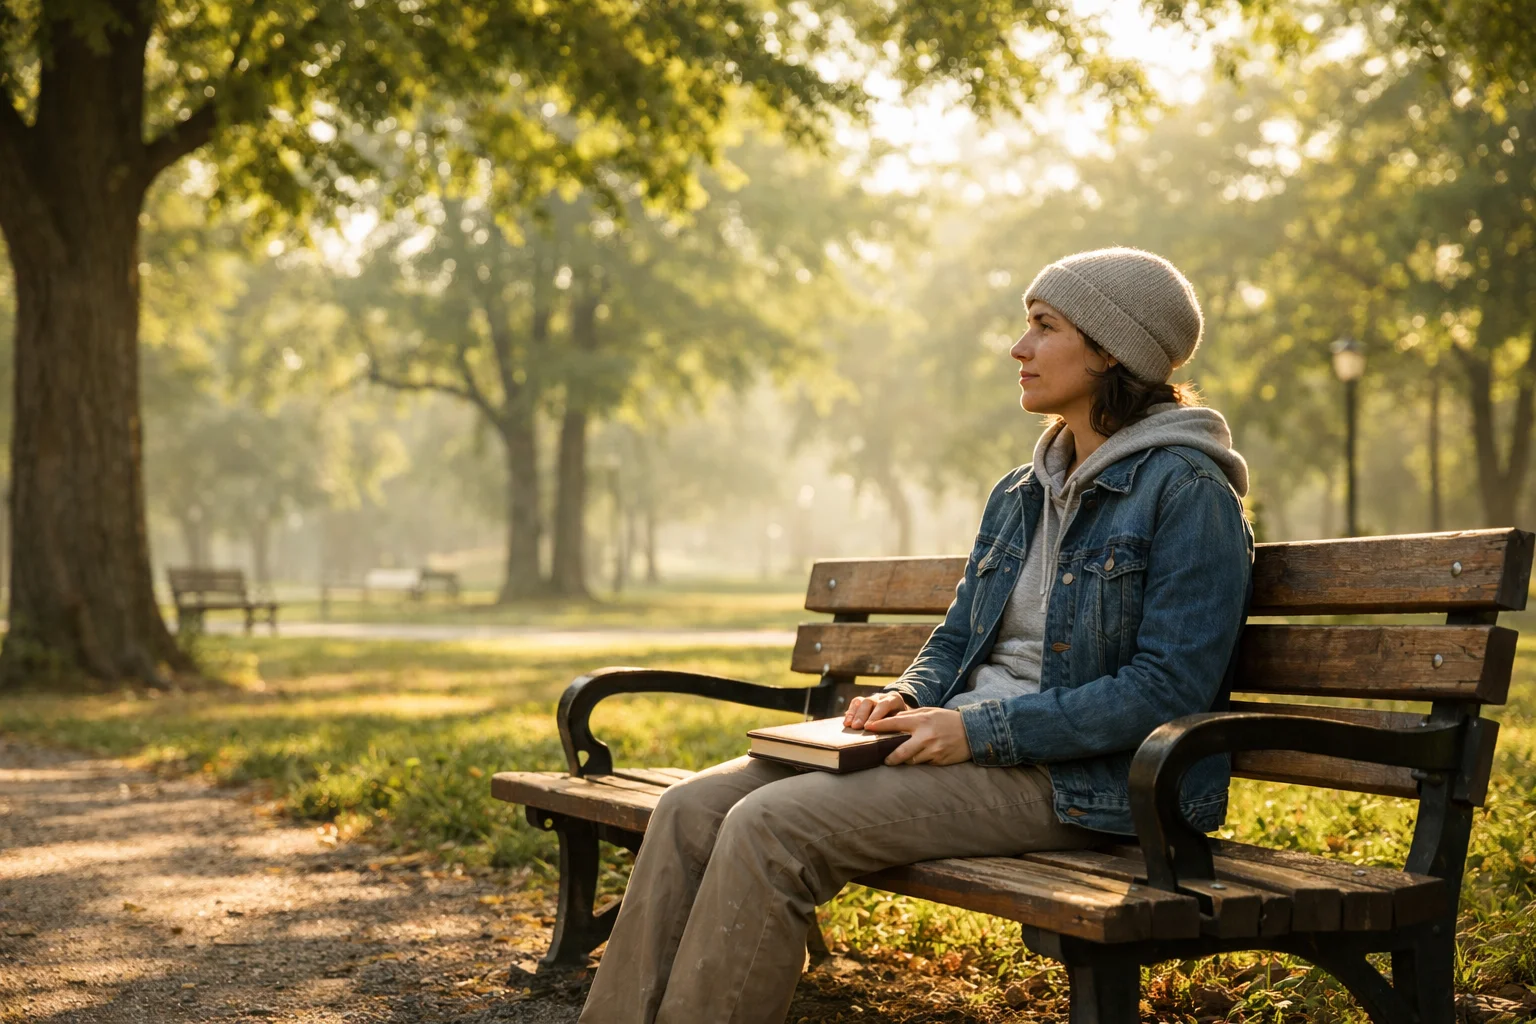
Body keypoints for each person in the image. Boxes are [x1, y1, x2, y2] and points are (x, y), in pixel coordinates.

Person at [578, 247, 1255, 1024]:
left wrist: (977, 731)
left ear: (1110, 350)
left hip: (1083, 783)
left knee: (772, 827)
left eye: (1044, 326)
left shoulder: (1189, 490)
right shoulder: (1022, 490)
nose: (1019, 348)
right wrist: (905, 696)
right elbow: (959, 634)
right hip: (962, 746)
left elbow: (1167, 690)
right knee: (689, 810)